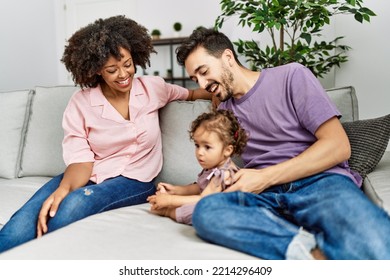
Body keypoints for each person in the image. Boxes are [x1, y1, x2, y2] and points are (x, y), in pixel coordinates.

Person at [0, 16, 211, 254]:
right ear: (97, 69)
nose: (123, 74)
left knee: (73, 206)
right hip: (89, 173)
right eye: (112, 70)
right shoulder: (81, 103)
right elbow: (81, 160)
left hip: (135, 180)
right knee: (26, 219)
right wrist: (63, 188)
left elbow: (191, 95)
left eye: (128, 64)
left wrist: (219, 91)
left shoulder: (152, 87)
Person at [175, 27, 390, 260]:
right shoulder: (223, 110)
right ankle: (310, 253)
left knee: (375, 241)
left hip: (319, 184)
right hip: (265, 196)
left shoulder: (291, 76)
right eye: (196, 79)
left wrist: (264, 176)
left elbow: (338, 147)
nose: (203, 83)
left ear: (228, 57)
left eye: (204, 72)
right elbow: (217, 164)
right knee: (207, 212)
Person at [147, 109, 248, 224]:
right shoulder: (212, 167)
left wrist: (170, 200)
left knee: (196, 209)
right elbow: (200, 187)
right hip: (214, 206)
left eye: (207, 147)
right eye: (197, 145)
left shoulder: (224, 174)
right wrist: (176, 190)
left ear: (227, 150)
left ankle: (168, 212)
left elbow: (203, 199)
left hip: (227, 213)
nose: (200, 152)